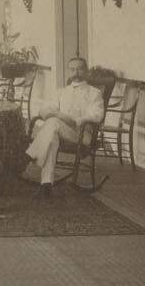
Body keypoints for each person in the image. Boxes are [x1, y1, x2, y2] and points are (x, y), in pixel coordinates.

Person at [23, 56, 108, 194]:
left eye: (80, 69)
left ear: (86, 71)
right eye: (72, 69)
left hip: (82, 134)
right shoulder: (62, 91)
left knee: (53, 123)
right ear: (69, 71)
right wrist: (49, 113)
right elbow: (45, 109)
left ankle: (29, 155)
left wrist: (72, 119)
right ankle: (46, 184)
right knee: (51, 136)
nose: (76, 73)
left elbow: (97, 115)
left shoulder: (94, 93)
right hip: (60, 130)